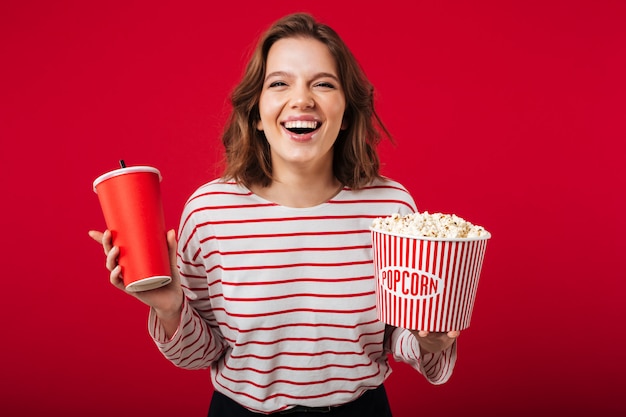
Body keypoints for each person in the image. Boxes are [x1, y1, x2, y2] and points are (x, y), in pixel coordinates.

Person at [89, 12, 459, 416]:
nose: (302, 99)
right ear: (256, 113)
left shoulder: (391, 208)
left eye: (323, 83)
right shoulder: (209, 211)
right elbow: (204, 353)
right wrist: (169, 307)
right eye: (279, 83)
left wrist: (429, 340)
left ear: (347, 112)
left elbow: (394, 338)